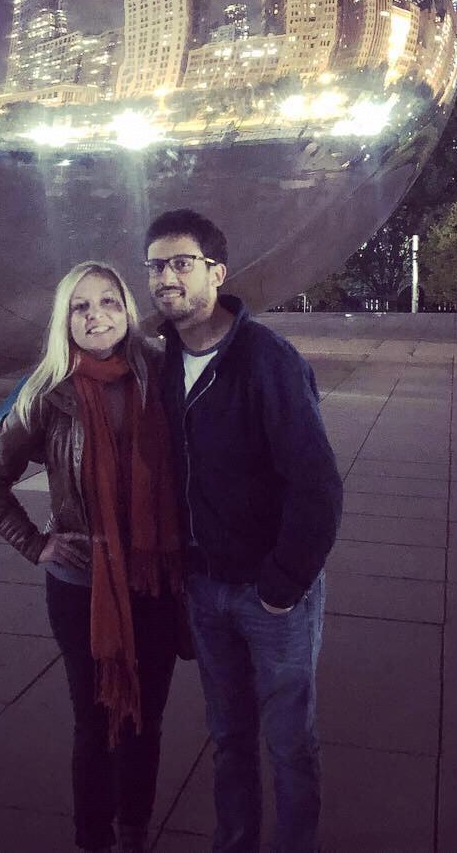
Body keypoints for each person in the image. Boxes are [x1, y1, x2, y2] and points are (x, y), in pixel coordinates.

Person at [145, 209, 342, 853]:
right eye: (155, 266)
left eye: (180, 263)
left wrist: (283, 584)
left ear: (217, 272)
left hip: (271, 592)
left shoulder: (267, 361)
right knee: (228, 739)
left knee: (289, 743)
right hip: (204, 588)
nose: (165, 277)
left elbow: (317, 486)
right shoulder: (162, 362)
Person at [0, 262, 182, 853]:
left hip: (154, 579)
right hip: (81, 586)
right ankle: (92, 839)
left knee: (146, 720)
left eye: (109, 303)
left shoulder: (161, 374)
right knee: (94, 724)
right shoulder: (48, 392)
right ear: (64, 319)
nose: (97, 317)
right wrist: (35, 543)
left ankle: (134, 831)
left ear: (127, 309)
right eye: (82, 307)